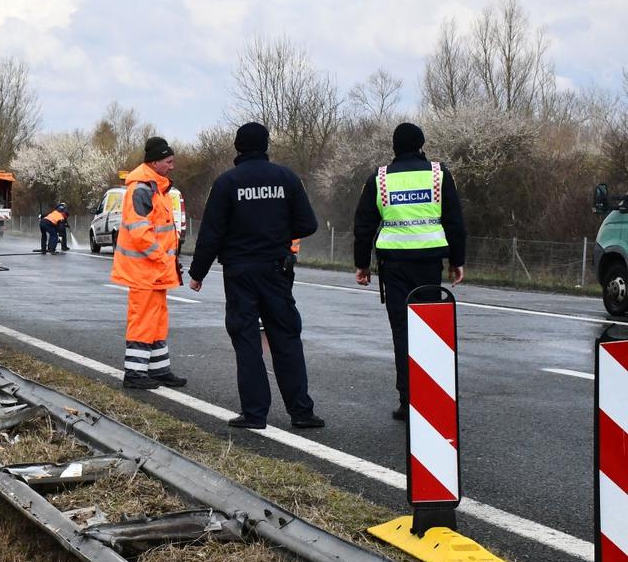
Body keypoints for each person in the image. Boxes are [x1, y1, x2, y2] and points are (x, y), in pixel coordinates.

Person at [187, 122, 323, 430]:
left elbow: (211, 234)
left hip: (240, 272)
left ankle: (255, 413)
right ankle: (302, 412)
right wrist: (277, 230)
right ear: (266, 146)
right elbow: (308, 224)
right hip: (277, 269)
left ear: (237, 147)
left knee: (247, 339)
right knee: (286, 338)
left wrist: (197, 273)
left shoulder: (226, 183)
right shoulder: (286, 178)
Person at [353, 122, 466, 420]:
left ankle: (407, 400)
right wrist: (457, 260)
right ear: (421, 145)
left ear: (394, 147)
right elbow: (454, 222)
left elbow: (363, 226)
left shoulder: (380, 178)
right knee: (429, 332)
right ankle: (431, 397)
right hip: (430, 265)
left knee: (402, 331)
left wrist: (362, 264)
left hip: (394, 267)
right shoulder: (439, 175)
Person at [110, 137, 187, 390]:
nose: (172, 166)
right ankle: (134, 373)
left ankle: (158, 369)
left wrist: (166, 261)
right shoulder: (142, 188)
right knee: (143, 320)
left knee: (156, 319)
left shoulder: (156, 186)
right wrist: (162, 257)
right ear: (154, 162)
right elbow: (140, 231)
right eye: (168, 161)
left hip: (154, 270)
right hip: (145, 269)